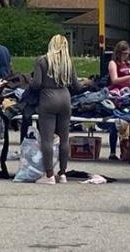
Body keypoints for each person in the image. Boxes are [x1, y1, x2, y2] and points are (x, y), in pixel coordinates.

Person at [30, 35, 81, 185]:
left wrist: (30, 81)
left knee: (47, 139)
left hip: (48, 99)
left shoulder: (42, 60)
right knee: (64, 139)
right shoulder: (68, 62)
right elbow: (76, 86)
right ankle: (63, 173)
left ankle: (49, 175)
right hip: (65, 98)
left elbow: (37, 84)